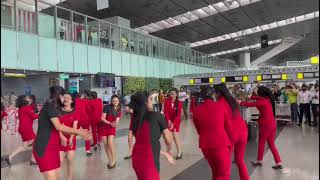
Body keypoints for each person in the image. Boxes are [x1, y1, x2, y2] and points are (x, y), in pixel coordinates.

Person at [32, 86, 91, 180]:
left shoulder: (55, 108)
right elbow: (58, 126)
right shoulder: (50, 106)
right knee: (51, 177)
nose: (65, 99)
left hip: (53, 147)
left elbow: (59, 127)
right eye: (64, 96)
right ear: (59, 96)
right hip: (44, 147)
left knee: (56, 176)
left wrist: (74, 134)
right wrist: (79, 132)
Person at [131, 92, 175, 180]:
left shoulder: (135, 118)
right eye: (150, 100)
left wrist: (165, 154)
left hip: (136, 157)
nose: (152, 102)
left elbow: (147, 142)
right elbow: (168, 140)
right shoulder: (157, 116)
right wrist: (169, 149)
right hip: (149, 160)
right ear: (146, 103)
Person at [193, 86, 233, 180]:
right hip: (220, 144)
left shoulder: (197, 111)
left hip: (206, 146)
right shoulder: (220, 106)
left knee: (216, 171)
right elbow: (228, 127)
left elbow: (199, 130)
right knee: (224, 173)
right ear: (213, 94)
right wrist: (231, 144)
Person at [240, 86, 282, 169]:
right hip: (272, 123)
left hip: (265, 125)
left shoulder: (261, 101)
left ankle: (259, 160)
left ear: (260, 93)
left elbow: (249, 104)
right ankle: (278, 162)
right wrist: (251, 96)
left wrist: (239, 102)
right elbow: (256, 98)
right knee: (271, 144)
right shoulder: (267, 99)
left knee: (261, 143)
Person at [213, 84, 249, 180]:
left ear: (218, 93)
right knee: (239, 160)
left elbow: (219, 125)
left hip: (231, 136)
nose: (213, 96)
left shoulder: (219, 104)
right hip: (243, 133)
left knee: (226, 164)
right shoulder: (233, 101)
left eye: (214, 93)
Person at [5, 95, 39, 166]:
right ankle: (33, 160)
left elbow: (31, 115)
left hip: (22, 128)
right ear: (24, 100)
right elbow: (34, 117)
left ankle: (10, 156)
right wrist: (41, 114)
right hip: (26, 128)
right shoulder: (26, 108)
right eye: (26, 98)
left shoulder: (21, 108)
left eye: (28, 98)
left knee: (24, 147)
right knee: (35, 143)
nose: (27, 99)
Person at [59, 93, 79, 180]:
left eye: (68, 98)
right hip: (59, 138)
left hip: (71, 138)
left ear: (72, 101)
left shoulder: (75, 112)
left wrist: (71, 138)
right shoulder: (58, 111)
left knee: (70, 161)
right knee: (59, 161)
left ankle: (69, 178)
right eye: (64, 97)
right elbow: (56, 126)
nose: (66, 99)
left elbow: (74, 127)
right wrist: (61, 136)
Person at [99, 95, 121, 169]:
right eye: (114, 101)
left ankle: (114, 160)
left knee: (110, 143)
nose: (115, 102)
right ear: (111, 101)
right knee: (106, 145)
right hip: (104, 126)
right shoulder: (107, 107)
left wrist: (115, 123)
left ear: (119, 101)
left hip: (112, 128)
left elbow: (117, 120)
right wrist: (110, 123)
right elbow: (102, 118)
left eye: (117, 101)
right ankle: (110, 159)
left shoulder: (119, 109)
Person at [163, 88, 183, 160]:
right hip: (168, 121)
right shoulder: (166, 101)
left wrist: (173, 123)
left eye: (173, 94)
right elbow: (165, 112)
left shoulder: (179, 103)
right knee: (168, 137)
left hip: (176, 121)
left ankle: (179, 152)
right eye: (170, 94)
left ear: (176, 94)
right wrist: (168, 120)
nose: (171, 95)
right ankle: (169, 152)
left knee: (175, 135)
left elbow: (178, 115)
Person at [124, 94, 137, 160]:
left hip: (139, 124)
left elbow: (130, 111)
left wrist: (131, 110)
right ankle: (130, 153)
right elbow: (126, 109)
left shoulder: (141, 105)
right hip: (132, 123)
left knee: (139, 140)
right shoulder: (131, 104)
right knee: (129, 138)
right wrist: (130, 110)